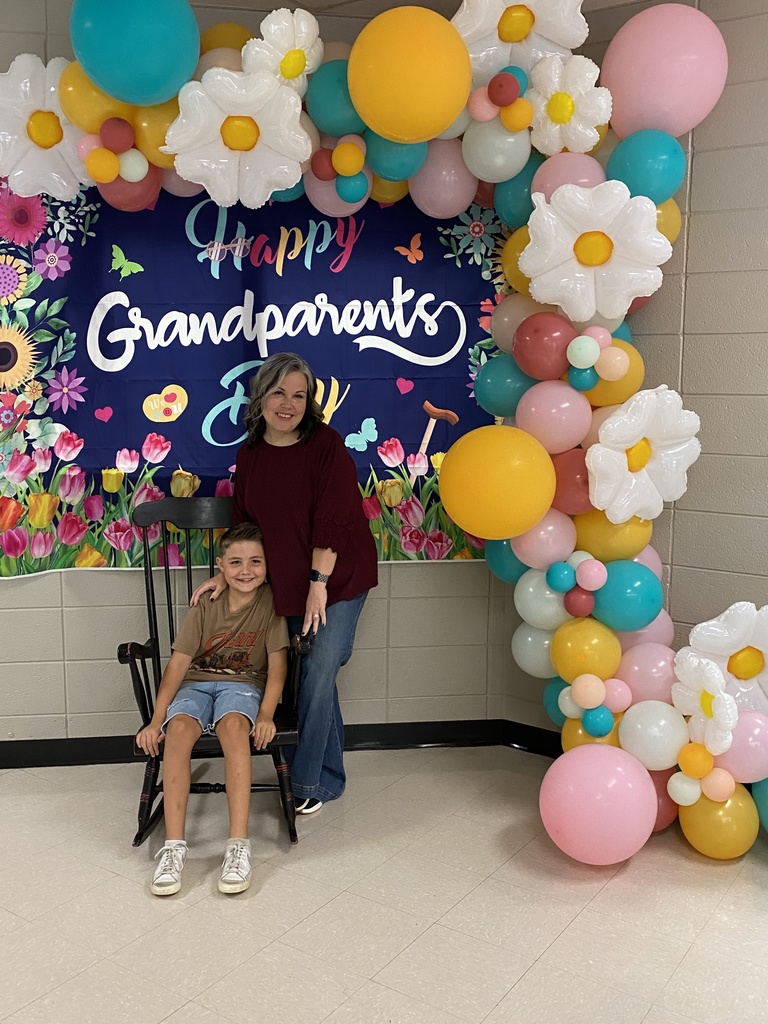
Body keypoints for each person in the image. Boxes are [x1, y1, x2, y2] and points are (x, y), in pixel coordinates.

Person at [192, 352, 378, 815]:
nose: (288, 403)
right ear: (261, 396)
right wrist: (226, 571)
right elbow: (246, 524)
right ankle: (325, 775)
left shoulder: (326, 444)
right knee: (308, 676)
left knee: (321, 666)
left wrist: (319, 583)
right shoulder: (250, 453)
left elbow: (331, 519)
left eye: (299, 395)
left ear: (309, 401)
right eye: (279, 392)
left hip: (338, 575)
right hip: (290, 580)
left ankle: (308, 780)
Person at [136, 522, 289, 897]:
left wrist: (267, 714)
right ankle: (174, 848)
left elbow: (279, 665)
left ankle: (238, 844)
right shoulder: (207, 604)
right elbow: (177, 664)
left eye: (256, 561)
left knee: (234, 728)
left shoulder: (273, 603)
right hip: (196, 683)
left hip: (244, 684)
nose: (246, 570)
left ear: (268, 565)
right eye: (235, 562)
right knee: (179, 731)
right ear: (220, 566)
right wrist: (157, 720)